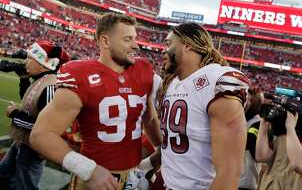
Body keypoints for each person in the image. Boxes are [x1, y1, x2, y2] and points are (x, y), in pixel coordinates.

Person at [30, 13, 162, 190]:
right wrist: (88, 170)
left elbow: (150, 118)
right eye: (127, 39)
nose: (135, 45)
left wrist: (163, 150)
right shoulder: (81, 75)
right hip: (96, 179)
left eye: (135, 38)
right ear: (105, 42)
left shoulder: (143, 70)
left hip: (133, 175)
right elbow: (41, 135)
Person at [157, 23, 250, 190]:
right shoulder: (172, 82)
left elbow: (230, 170)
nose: (163, 50)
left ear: (187, 45)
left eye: (169, 43)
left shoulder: (216, 80)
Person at [0, 41, 70, 190]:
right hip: (22, 142)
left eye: (31, 58)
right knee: (4, 175)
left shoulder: (51, 85)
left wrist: (14, 114)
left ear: (43, 63)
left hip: (33, 149)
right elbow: (28, 101)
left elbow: (45, 127)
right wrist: (24, 78)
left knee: (25, 186)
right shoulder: (42, 80)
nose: (26, 62)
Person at [238, 86, 263, 190]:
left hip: (246, 182)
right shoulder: (238, 117)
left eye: (248, 100)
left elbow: (253, 150)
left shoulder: (257, 123)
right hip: (231, 178)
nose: (244, 103)